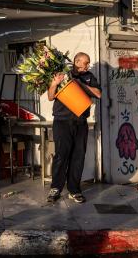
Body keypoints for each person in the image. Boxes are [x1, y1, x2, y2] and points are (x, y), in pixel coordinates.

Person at [46, 52, 101, 204]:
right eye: (85, 63)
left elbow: (98, 94)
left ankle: (74, 190)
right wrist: (54, 83)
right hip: (62, 122)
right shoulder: (63, 75)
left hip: (80, 122)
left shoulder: (89, 77)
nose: (88, 66)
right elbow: (50, 97)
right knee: (61, 156)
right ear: (77, 62)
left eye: (88, 63)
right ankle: (55, 188)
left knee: (78, 156)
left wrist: (79, 84)